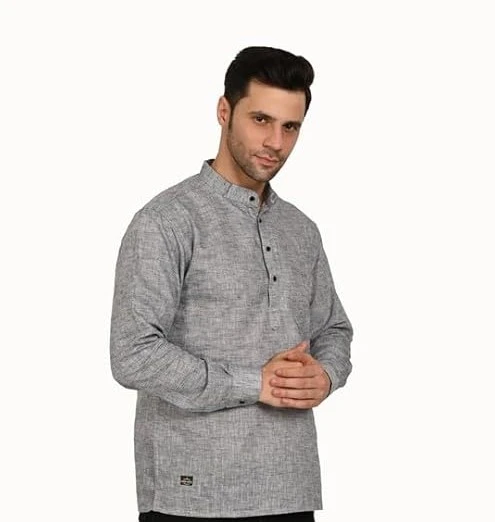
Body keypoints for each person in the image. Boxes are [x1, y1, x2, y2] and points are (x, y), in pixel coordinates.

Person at [110, 46, 353, 522]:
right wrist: (252, 382)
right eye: (261, 120)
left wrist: (325, 374)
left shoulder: (300, 230)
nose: (275, 142)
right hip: (192, 496)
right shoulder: (167, 221)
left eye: (290, 127)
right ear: (224, 111)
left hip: (290, 488)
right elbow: (132, 353)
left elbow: (334, 329)